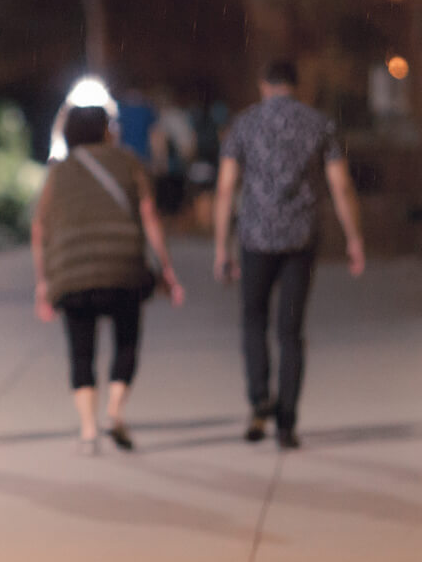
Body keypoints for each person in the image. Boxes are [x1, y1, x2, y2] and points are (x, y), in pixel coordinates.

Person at [212, 58, 365, 449]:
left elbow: (226, 187)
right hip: (300, 239)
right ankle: (286, 423)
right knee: (291, 331)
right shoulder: (319, 124)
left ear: (264, 85)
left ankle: (260, 399)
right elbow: (341, 184)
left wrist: (221, 247)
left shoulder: (244, 124)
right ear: (296, 87)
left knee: (253, 320)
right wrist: (354, 238)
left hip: (254, 238)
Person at [32, 105, 184, 454]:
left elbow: (40, 228)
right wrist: (166, 268)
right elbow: (149, 216)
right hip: (123, 266)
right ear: (105, 131)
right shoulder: (129, 162)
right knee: (127, 342)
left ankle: (88, 430)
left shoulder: (59, 172)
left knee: (80, 351)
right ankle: (115, 410)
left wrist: (43, 281)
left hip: (71, 271)